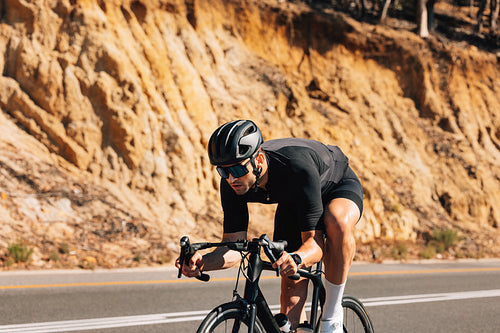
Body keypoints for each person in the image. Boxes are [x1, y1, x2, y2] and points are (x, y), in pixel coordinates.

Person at [176, 120, 363, 332]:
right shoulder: (231, 183)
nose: (230, 178)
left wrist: (298, 258)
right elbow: (232, 247)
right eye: (223, 171)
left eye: (237, 169)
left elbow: (314, 243)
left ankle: (332, 316)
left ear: (259, 159)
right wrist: (202, 262)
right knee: (291, 293)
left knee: (335, 221)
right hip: (294, 200)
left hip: (336, 185)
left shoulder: (296, 167)